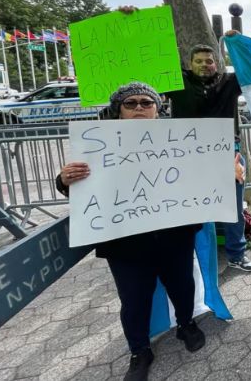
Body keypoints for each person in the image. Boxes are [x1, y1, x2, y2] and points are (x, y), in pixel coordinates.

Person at [57, 83, 214, 381]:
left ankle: (186, 324)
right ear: (119, 111)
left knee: (182, 286)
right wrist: (64, 179)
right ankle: (139, 350)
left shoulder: (180, 139)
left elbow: (206, 173)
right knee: (134, 300)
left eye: (146, 102)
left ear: (157, 109)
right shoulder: (96, 144)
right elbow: (78, 185)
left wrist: (227, 173)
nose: (139, 108)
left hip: (174, 235)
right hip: (125, 244)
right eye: (131, 103)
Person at [167, 41, 251, 272]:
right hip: (187, 156)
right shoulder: (176, 81)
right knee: (188, 206)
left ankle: (237, 256)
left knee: (232, 208)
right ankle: (191, 258)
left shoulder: (228, 82)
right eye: (199, 61)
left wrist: (239, 43)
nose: (205, 65)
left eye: (209, 61)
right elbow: (144, 75)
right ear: (190, 64)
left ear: (216, 63)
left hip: (228, 156)